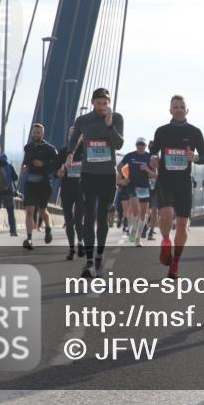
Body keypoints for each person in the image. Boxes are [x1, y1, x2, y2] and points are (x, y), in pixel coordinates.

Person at [149, 95, 204, 279]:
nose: (179, 109)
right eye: (175, 107)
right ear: (170, 110)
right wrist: (153, 158)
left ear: (187, 110)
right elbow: (153, 151)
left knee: (183, 225)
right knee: (165, 214)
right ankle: (166, 242)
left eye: (182, 107)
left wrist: (195, 158)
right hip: (165, 181)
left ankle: (175, 263)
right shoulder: (161, 131)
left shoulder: (195, 132)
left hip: (184, 183)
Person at [67, 87, 124, 278]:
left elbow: (119, 144)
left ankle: (99, 257)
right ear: (92, 102)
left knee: (102, 217)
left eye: (105, 103)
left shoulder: (116, 118)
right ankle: (89, 261)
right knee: (88, 216)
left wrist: (109, 125)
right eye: (99, 103)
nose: (102, 107)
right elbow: (74, 139)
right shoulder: (83, 120)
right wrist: (69, 155)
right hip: (88, 174)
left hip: (107, 176)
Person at [21, 123, 58, 250]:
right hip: (31, 182)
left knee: (42, 210)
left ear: (42, 134)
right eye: (34, 132)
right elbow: (26, 161)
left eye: (38, 133)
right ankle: (29, 238)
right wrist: (24, 167)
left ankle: (48, 228)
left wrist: (43, 164)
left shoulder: (50, 149)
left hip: (44, 183)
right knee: (29, 211)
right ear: (32, 133)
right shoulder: (28, 147)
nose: (36, 134)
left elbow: (55, 166)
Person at [118, 137, 155, 247]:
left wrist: (147, 169)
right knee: (135, 211)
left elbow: (155, 175)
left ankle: (138, 238)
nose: (140, 146)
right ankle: (133, 229)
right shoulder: (130, 155)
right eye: (139, 144)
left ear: (146, 146)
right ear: (136, 145)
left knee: (143, 214)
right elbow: (119, 167)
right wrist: (124, 177)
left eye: (143, 144)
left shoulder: (149, 157)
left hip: (144, 187)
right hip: (132, 186)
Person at [57, 129, 86, 260]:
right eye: (71, 134)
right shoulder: (63, 151)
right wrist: (58, 172)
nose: (74, 137)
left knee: (78, 220)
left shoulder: (86, 151)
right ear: (69, 136)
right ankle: (71, 249)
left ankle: (80, 242)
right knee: (69, 221)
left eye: (77, 134)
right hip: (67, 189)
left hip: (81, 189)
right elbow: (55, 168)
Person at [0, 154, 18, 236]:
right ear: (6, 159)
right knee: (11, 213)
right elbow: (16, 178)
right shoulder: (10, 166)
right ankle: (13, 231)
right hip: (8, 193)